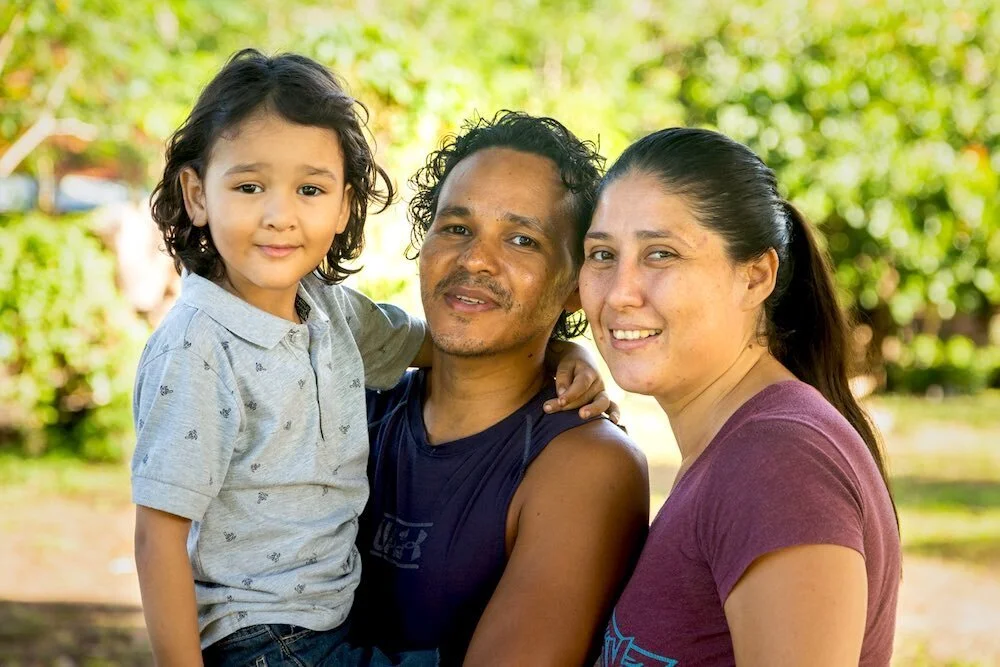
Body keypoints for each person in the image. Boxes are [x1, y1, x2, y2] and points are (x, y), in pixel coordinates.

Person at [130, 50, 606, 667]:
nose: (279, 215)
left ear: (344, 205)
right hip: (260, 637)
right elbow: (157, 537)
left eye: (309, 189)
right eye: (249, 187)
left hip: (327, 620)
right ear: (196, 195)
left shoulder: (331, 313)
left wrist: (563, 345)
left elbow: (453, 337)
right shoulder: (197, 345)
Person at [579, 127, 902, 667]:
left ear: (755, 277)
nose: (619, 292)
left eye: (661, 254)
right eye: (602, 255)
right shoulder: (739, 448)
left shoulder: (780, 463)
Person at [350, 112, 651, 666]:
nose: (475, 259)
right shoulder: (348, 406)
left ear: (575, 287)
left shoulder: (586, 465)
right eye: (456, 228)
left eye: (522, 240)